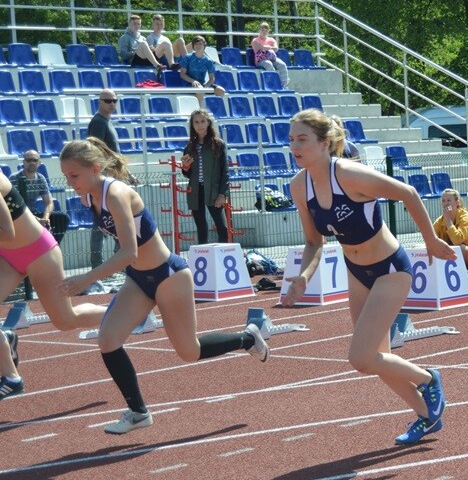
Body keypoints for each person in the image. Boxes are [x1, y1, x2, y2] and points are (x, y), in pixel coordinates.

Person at [58, 138, 269, 434]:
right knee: (107, 340)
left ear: (94, 168)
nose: (70, 182)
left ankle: (248, 338)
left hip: (168, 276)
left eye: (74, 175)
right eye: (66, 176)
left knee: (189, 352)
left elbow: (129, 251)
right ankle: (138, 412)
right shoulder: (87, 198)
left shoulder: (115, 194)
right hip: (138, 279)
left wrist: (85, 278)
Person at [281, 109, 455, 445]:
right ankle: (426, 416)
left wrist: (431, 241)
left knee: (361, 358)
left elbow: (408, 193)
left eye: (302, 139)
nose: (295, 146)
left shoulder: (349, 175)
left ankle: (428, 378)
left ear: (324, 143)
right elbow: (314, 241)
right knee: (376, 359)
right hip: (357, 273)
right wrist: (303, 276)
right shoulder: (299, 186)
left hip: (390, 269)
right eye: (291, 140)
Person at [0, 168, 108, 400]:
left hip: (38, 252)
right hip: (7, 257)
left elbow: (7, 232)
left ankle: (125, 312)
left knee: (66, 320)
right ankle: (11, 377)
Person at [181, 109, 230, 244]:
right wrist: (185, 167)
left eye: (202, 121)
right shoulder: (189, 147)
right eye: (196, 122)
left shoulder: (218, 145)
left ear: (208, 122)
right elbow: (187, 174)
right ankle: (203, 253)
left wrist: (223, 194)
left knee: (222, 227)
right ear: (192, 125)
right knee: (201, 227)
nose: (200, 125)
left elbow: (225, 171)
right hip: (196, 191)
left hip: (214, 191)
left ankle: (223, 254)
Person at [86, 90, 120, 279]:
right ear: (99, 102)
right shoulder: (98, 122)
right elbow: (95, 152)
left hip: (111, 178)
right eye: (108, 101)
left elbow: (111, 152)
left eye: (114, 101)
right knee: (101, 224)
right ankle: (98, 266)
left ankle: (116, 263)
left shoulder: (106, 121)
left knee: (116, 221)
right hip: (104, 181)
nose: (112, 104)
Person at [10, 151, 69, 244]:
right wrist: (36, 219)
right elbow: (16, 206)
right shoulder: (15, 178)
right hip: (19, 216)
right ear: (24, 162)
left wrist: (45, 218)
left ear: (39, 162)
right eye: (29, 160)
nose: (32, 163)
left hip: (34, 213)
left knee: (63, 218)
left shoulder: (40, 178)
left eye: (35, 160)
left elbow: (49, 202)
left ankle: (53, 245)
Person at [432, 189, 468, 267]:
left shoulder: (466, 218)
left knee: (460, 249)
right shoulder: (439, 221)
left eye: (448, 200)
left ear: (457, 202)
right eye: (443, 201)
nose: (446, 203)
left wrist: (448, 220)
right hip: (448, 251)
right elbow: (432, 238)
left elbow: (457, 240)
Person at [178, 36, 226, 105]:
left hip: (202, 84)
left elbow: (212, 78)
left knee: (221, 91)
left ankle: (215, 108)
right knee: (200, 90)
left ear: (204, 45)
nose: (198, 46)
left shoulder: (208, 60)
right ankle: (201, 110)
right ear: (193, 46)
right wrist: (193, 81)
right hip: (189, 83)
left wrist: (206, 87)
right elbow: (182, 74)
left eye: (200, 44)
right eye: (196, 44)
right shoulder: (187, 57)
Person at [250, 21, 290, 88]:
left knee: (282, 65)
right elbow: (258, 47)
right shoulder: (255, 40)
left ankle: (284, 85)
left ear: (268, 31)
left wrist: (266, 47)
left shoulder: (271, 40)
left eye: (266, 30)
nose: (264, 32)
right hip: (261, 60)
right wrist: (267, 47)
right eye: (262, 30)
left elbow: (276, 48)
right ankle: (274, 83)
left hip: (272, 58)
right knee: (269, 64)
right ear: (259, 30)